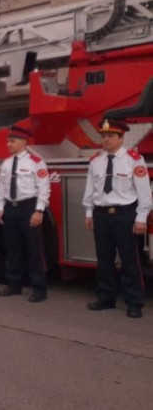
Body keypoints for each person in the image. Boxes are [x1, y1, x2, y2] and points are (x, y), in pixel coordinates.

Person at [82, 119, 150, 318]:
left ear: (121, 138)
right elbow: (90, 189)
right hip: (101, 214)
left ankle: (134, 302)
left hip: (125, 214)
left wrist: (141, 217)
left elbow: (144, 192)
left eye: (111, 136)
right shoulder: (96, 161)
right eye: (103, 136)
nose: (106, 139)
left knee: (130, 260)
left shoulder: (133, 159)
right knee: (104, 259)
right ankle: (106, 298)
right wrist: (88, 212)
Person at [0, 125, 50, 302]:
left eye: (12, 140)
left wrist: (39, 210)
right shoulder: (6, 163)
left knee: (34, 250)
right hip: (11, 208)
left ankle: (39, 288)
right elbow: (2, 186)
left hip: (28, 207)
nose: (8, 144)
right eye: (8, 140)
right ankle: (14, 284)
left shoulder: (36, 162)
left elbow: (44, 188)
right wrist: (1, 208)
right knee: (13, 249)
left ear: (24, 142)